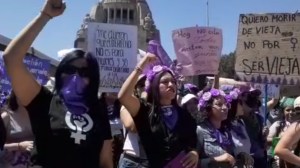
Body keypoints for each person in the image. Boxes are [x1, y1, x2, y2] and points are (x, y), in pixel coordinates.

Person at [2, 0, 113, 167]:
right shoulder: (44, 101)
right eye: (70, 69)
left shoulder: (98, 109)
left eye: (84, 72)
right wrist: (45, 16)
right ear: (61, 71)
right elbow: (11, 58)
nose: (76, 76)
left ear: (93, 78)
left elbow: (105, 162)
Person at [118, 54, 198, 168]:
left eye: (173, 82)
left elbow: (191, 141)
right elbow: (123, 96)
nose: (171, 85)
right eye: (165, 82)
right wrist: (141, 65)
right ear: (154, 86)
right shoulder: (145, 111)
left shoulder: (184, 115)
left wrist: (194, 153)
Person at [196, 88, 236, 168]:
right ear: (209, 108)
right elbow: (194, 162)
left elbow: (230, 158)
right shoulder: (200, 130)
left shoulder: (226, 132)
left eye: (226, 104)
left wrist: (241, 156)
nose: (225, 108)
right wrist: (215, 159)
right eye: (219, 104)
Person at [118, 74, 149, 168]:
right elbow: (132, 126)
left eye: (147, 85)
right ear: (135, 90)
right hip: (133, 161)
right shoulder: (126, 106)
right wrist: (143, 100)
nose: (145, 88)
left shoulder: (155, 107)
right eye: (141, 85)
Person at [0, 92, 34, 168]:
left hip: (33, 161)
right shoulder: (6, 117)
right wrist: (18, 146)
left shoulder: (37, 115)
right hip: (10, 163)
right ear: (15, 96)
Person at [274, 96, 300, 167]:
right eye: (288, 110)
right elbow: (279, 150)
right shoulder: (297, 126)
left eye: (293, 110)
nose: (291, 113)